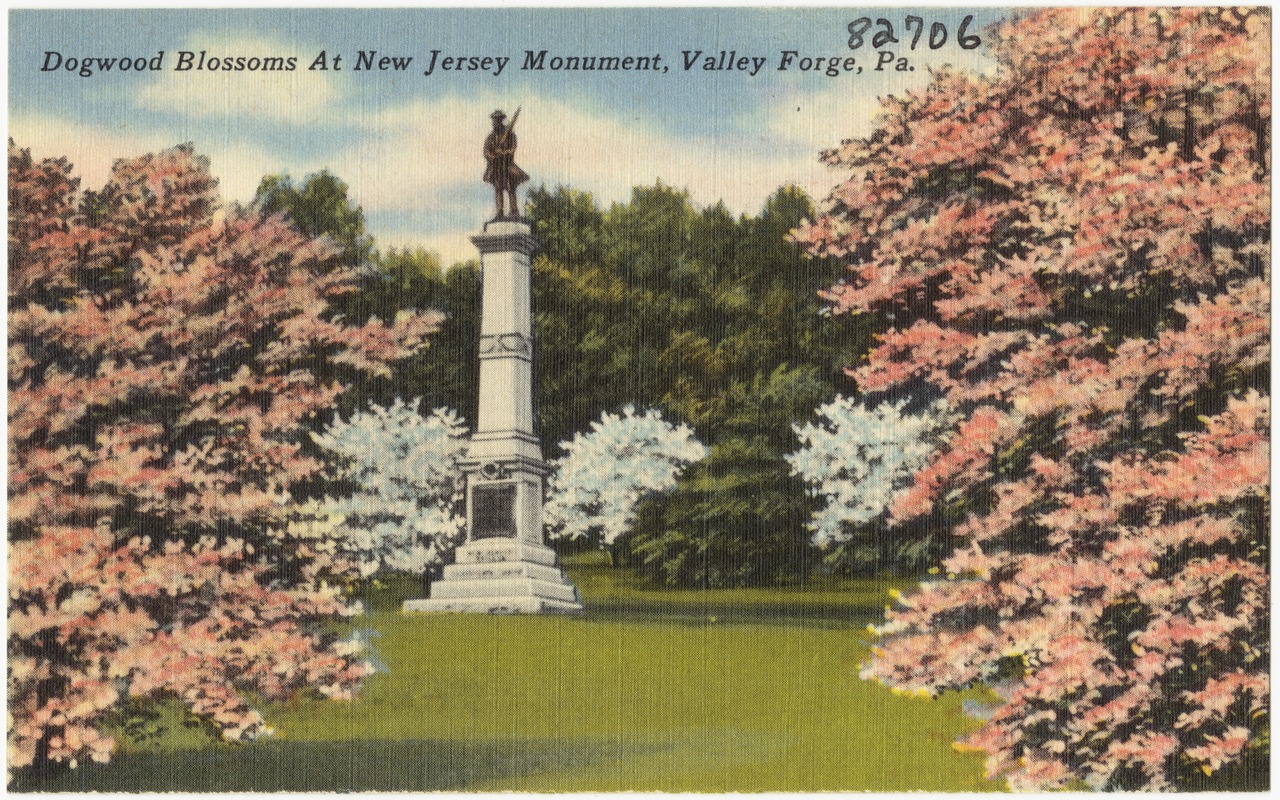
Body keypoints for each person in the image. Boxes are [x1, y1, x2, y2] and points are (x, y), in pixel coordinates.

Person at [483, 109, 529, 219]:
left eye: (497, 120)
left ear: (501, 120)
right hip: (496, 167)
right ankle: (499, 212)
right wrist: (494, 153)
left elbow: (512, 149)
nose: (495, 122)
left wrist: (502, 152)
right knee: (498, 188)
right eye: (494, 120)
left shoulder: (510, 135)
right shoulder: (490, 138)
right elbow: (486, 152)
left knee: (511, 187)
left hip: (507, 165)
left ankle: (514, 210)